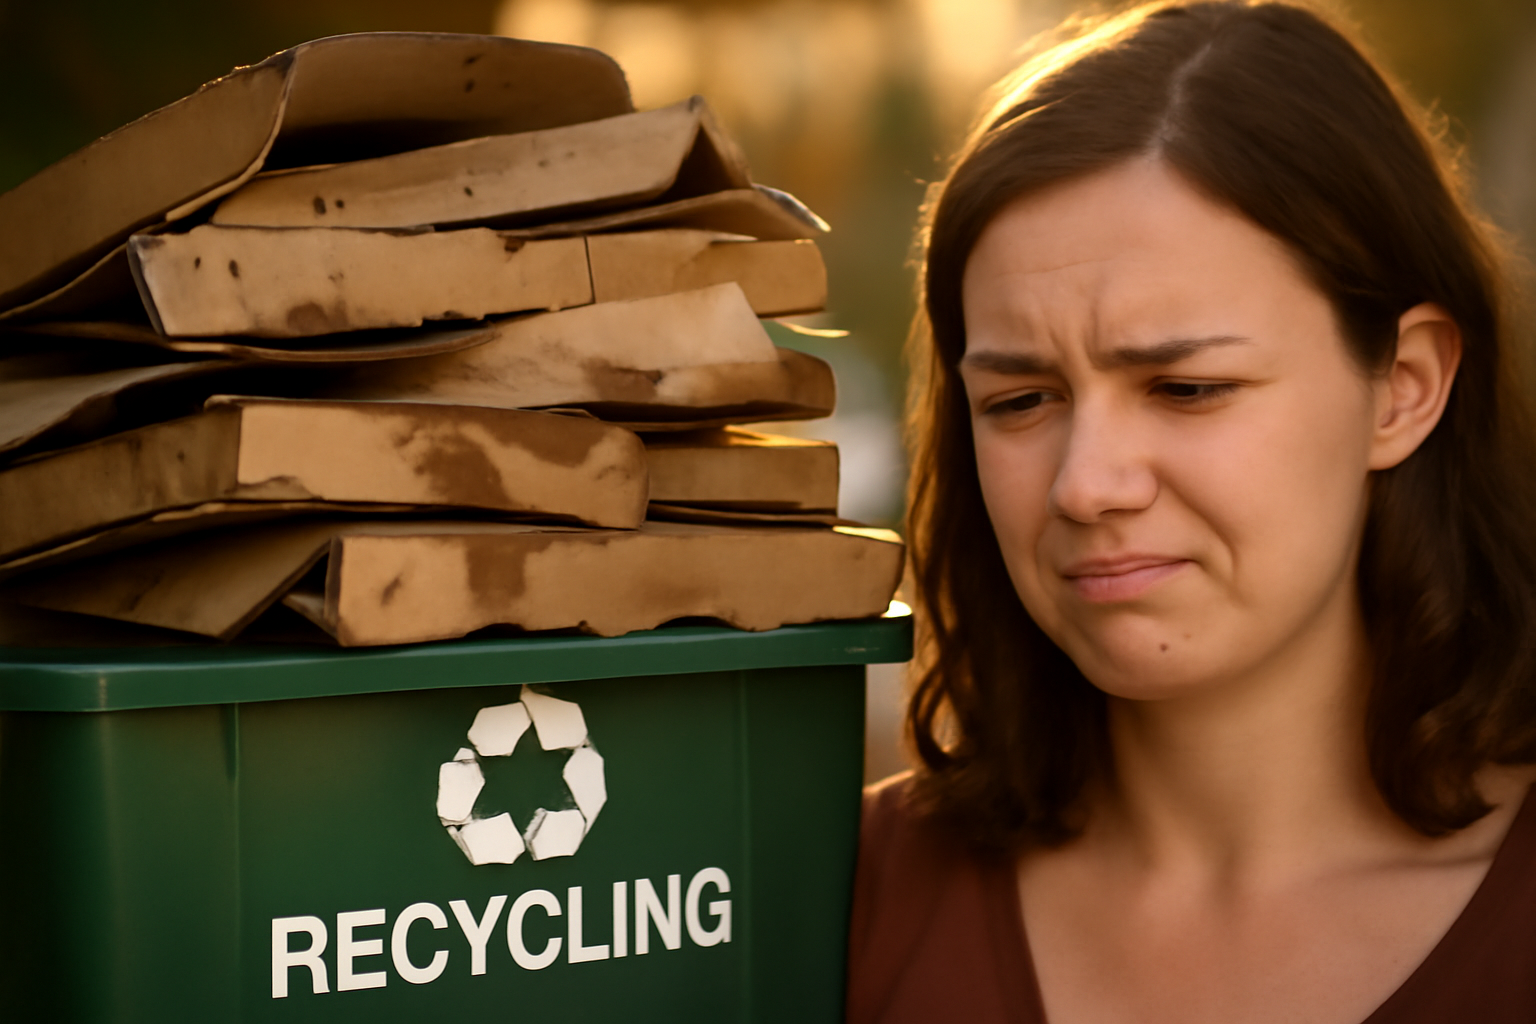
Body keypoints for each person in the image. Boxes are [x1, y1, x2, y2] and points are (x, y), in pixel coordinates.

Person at [846, 2, 1536, 1022]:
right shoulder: (838, 903)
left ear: (1405, 385)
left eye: (1187, 388)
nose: (1087, 485)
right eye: (1021, 400)